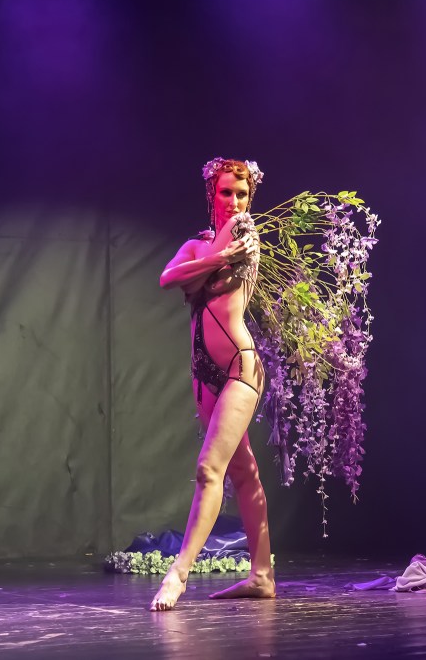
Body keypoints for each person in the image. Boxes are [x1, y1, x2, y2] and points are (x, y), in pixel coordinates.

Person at [151, 158, 276, 611]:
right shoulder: (201, 245)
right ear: (212, 194)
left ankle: (178, 573)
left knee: (209, 470)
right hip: (204, 373)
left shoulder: (246, 235)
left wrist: (214, 257)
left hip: (241, 368)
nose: (235, 202)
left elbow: (194, 275)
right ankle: (261, 576)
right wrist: (218, 258)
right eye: (226, 193)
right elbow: (169, 277)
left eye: (243, 194)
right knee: (243, 472)